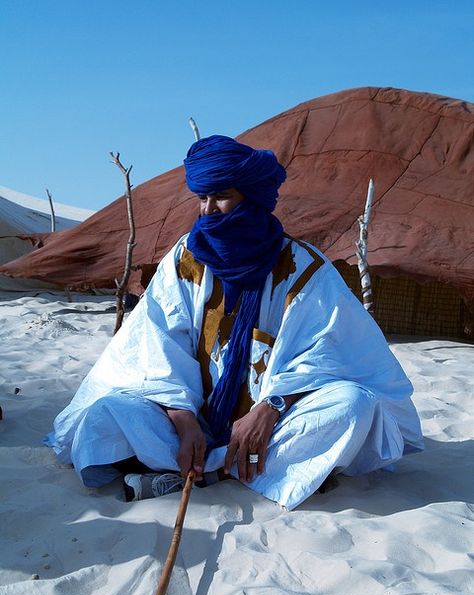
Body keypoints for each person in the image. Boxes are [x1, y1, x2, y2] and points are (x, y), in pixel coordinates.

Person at [45, 135, 423, 510]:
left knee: (354, 406)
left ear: (250, 196)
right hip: (190, 420)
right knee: (105, 413)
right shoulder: (185, 259)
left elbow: (332, 353)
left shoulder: (303, 268)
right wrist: (181, 415)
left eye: (221, 196)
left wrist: (270, 407)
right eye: (202, 198)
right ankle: (235, 467)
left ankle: (200, 473)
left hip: (274, 424)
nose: (208, 210)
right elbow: (155, 343)